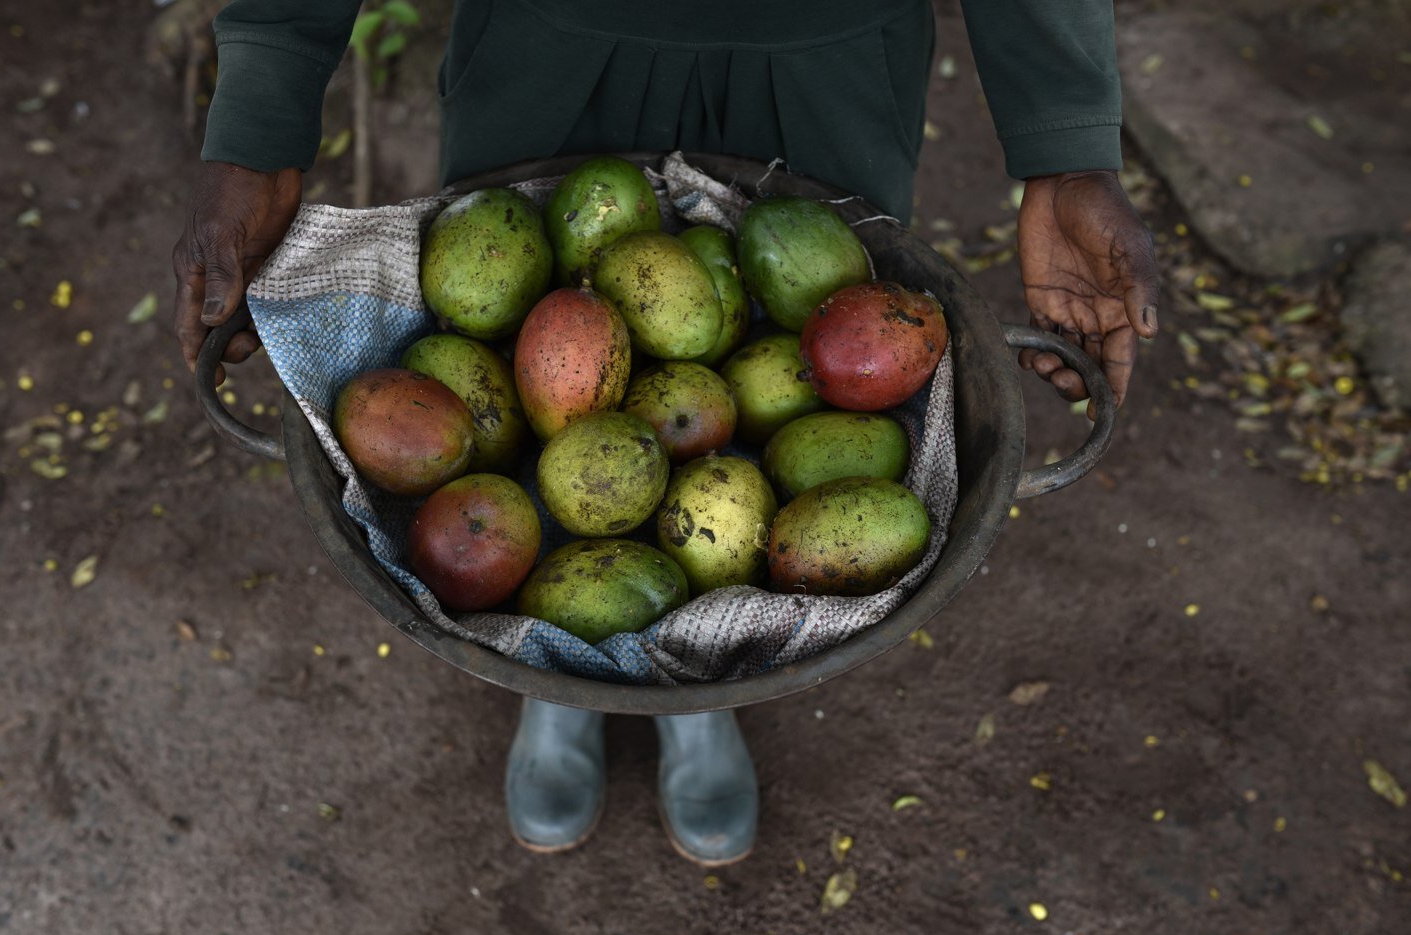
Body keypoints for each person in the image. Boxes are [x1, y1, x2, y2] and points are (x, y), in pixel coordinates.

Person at [172, 0, 1160, 866]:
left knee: (811, 354)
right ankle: (560, 677)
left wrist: (1067, 138)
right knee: (505, 340)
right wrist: (262, 102)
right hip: (545, 46)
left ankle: (701, 681)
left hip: (830, 58)